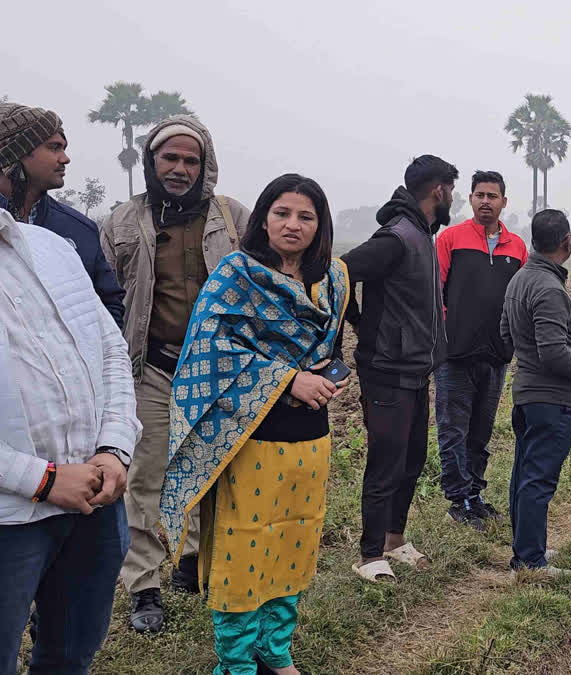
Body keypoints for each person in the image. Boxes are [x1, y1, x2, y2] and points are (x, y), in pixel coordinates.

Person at [159, 174, 348, 675]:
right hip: (249, 439)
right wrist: (287, 380)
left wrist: (330, 376)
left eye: (306, 216)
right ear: (264, 217)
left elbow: (332, 349)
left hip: (311, 440)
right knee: (245, 549)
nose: (293, 225)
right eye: (282, 213)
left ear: (320, 225)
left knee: (295, 542)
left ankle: (275, 649)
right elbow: (209, 351)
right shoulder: (236, 275)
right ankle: (237, 661)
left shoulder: (332, 280)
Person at [100, 114, 251, 633]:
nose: (181, 168)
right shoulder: (121, 222)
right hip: (152, 367)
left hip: (218, 369)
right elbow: (106, 301)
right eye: (171, 158)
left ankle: (194, 561)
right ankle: (144, 585)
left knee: (213, 469)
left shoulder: (232, 218)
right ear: (152, 161)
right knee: (144, 477)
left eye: (191, 159)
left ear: (205, 164)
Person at [0, 209, 140, 675]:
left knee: (70, 655)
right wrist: (43, 479)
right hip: (10, 516)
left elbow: (111, 352)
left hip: (94, 501)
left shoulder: (52, 246)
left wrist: (114, 448)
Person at [341, 155, 457, 581]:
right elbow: (343, 270)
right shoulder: (397, 238)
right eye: (452, 191)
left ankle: (394, 539)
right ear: (439, 190)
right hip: (387, 370)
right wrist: (356, 321)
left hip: (415, 371)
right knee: (385, 461)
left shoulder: (423, 234)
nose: (453, 199)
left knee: (411, 459)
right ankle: (370, 554)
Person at [500, 209, 571, 576]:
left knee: (524, 473)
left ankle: (528, 548)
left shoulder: (518, 281)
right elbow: (553, 351)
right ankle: (529, 561)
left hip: (527, 394)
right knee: (538, 478)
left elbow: (505, 334)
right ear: (566, 242)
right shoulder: (548, 288)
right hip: (550, 401)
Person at [434, 170, 527, 530]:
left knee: (481, 431)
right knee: (452, 429)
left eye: (493, 196)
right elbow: (436, 292)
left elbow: (520, 300)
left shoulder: (517, 247)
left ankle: (476, 494)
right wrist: (444, 337)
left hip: (496, 355)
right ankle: (458, 500)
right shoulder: (450, 239)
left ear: (504, 202)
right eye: (479, 195)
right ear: (470, 200)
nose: (485, 201)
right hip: (454, 356)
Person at [0, 102, 124, 327]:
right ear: (17, 153)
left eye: (64, 148)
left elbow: (109, 305)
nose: (65, 159)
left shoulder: (79, 229)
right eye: (54, 147)